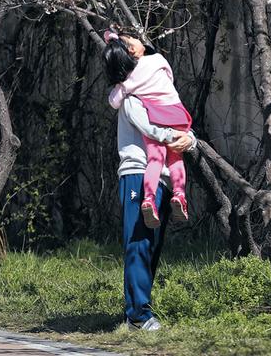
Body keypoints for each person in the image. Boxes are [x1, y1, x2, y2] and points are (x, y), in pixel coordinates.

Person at [116, 92, 196, 330]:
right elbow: (151, 128)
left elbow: (182, 124)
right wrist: (180, 137)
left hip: (163, 180)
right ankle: (138, 315)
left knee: (152, 246)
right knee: (139, 242)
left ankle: (138, 311)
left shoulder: (163, 99)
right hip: (137, 174)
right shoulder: (132, 99)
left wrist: (190, 140)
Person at [104, 29, 192, 229]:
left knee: (155, 158)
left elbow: (113, 101)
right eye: (134, 39)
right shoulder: (158, 60)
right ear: (133, 50)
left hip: (154, 115)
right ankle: (180, 194)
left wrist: (124, 83)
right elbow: (169, 76)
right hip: (175, 113)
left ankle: (148, 199)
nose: (138, 38)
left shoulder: (129, 82)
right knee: (176, 158)